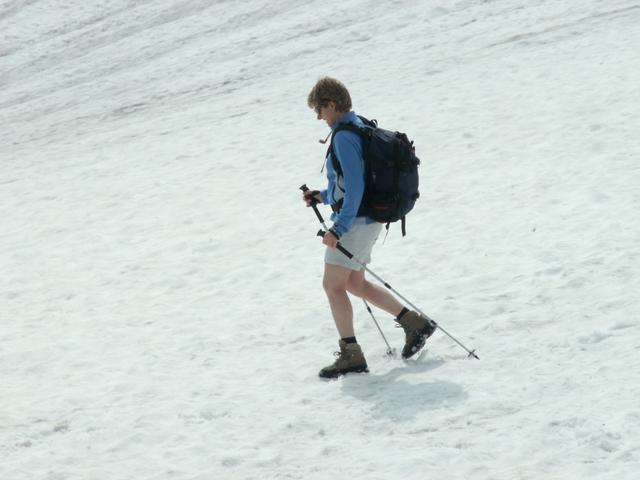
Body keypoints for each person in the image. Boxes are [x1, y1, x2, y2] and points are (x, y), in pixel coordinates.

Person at [303, 77, 436, 379]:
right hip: (368, 219)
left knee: (332, 285)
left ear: (332, 105)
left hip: (356, 223)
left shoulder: (343, 137)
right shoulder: (358, 125)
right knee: (354, 283)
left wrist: (338, 228)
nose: (319, 117)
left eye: (320, 110)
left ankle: (351, 355)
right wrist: (322, 196)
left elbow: (356, 186)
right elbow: (350, 184)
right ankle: (414, 324)